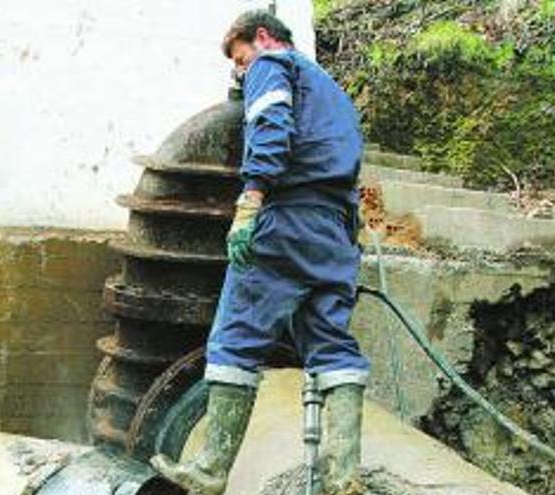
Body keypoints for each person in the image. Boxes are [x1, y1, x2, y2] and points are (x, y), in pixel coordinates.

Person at [150, 10, 370, 495]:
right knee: (331, 348)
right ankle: (343, 477)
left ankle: (208, 472)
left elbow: (271, 126)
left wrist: (250, 202)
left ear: (265, 38)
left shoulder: (274, 67)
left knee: (236, 338)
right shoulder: (332, 91)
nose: (241, 71)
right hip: (334, 231)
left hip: (285, 221)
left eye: (241, 58)